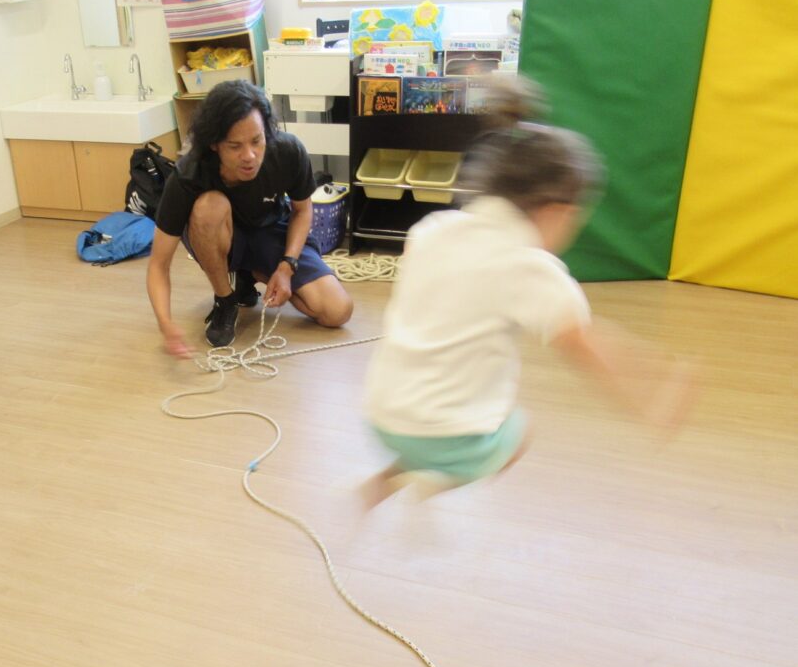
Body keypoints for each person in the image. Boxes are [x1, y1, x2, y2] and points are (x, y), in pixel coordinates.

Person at [362, 80, 694, 505]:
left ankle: (395, 475)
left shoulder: (432, 230)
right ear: (557, 211)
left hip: (381, 414)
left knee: (432, 429)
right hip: (442, 431)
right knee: (517, 434)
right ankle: (432, 478)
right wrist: (650, 399)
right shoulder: (529, 267)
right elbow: (590, 347)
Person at [147, 80, 353, 355]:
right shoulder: (190, 173)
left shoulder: (287, 150)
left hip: (271, 230)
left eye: (257, 141)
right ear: (214, 144)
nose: (250, 156)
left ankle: (252, 273)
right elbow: (158, 265)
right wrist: (165, 324)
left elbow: (303, 211)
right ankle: (225, 299)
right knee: (209, 207)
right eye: (235, 146)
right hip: (222, 234)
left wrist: (286, 267)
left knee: (337, 311)